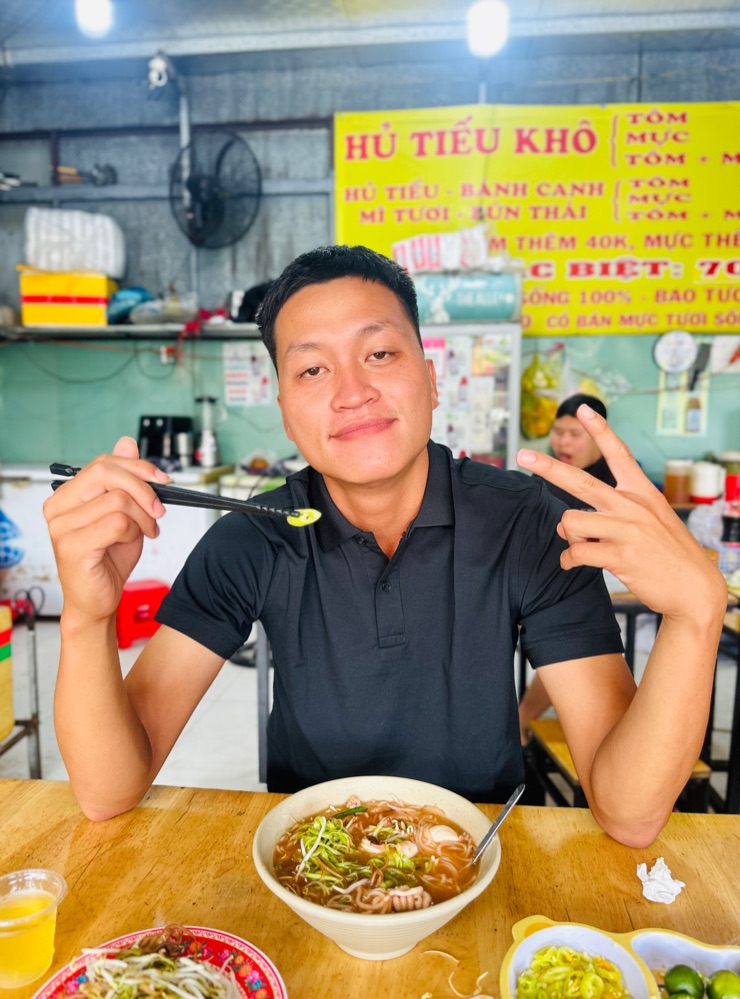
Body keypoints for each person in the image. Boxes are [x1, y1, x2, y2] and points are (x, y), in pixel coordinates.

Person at [45, 245, 727, 848]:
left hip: (481, 858)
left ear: (430, 380)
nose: (353, 392)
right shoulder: (254, 536)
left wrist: (695, 615)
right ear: (285, 412)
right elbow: (109, 790)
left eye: (379, 354)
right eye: (313, 370)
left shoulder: (528, 524)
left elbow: (628, 814)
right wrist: (86, 613)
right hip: (310, 867)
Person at [518, 393, 617, 744]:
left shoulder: (618, 487)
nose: (563, 442)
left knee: (565, 637)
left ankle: (521, 722)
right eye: (558, 432)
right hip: (545, 585)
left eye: (575, 434)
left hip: (606, 595)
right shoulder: (545, 477)